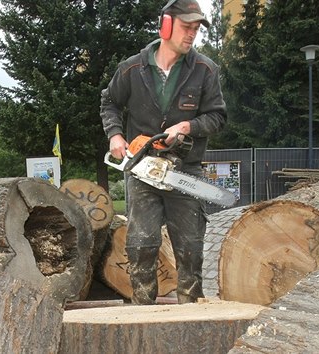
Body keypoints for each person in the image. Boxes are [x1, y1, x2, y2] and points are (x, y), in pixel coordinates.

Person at [100, 0, 227, 304]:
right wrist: (115, 135)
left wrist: (187, 127)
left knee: (190, 246)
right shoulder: (132, 68)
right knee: (141, 243)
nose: (191, 35)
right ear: (167, 25)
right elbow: (110, 103)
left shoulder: (205, 69)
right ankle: (143, 308)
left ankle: (191, 309)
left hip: (185, 169)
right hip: (143, 168)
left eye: (196, 29)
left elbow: (217, 116)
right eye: (186, 27)